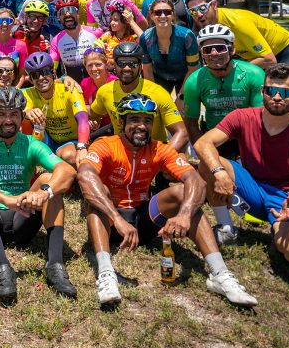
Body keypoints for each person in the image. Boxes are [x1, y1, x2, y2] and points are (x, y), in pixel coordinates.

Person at [78, 93, 257, 307]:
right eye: (134, 120)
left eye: (147, 120)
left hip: (142, 220)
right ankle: (106, 275)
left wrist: (183, 215)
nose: (142, 126)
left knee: (184, 193)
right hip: (108, 221)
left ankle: (220, 274)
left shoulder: (159, 149)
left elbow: (196, 181)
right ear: (121, 122)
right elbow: (85, 175)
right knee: (98, 192)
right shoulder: (106, 145)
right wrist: (116, 218)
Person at [194, 64, 289, 263]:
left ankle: (281, 230)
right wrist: (220, 173)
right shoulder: (242, 117)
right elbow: (203, 142)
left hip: (286, 198)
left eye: (285, 92)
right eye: (271, 90)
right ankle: (226, 228)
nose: (277, 97)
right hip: (250, 187)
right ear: (263, 91)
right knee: (209, 161)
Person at [0, 86, 78, 305]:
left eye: (13, 114)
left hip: (22, 218)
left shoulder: (31, 143)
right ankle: (3, 267)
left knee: (48, 181)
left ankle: (55, 265)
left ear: (22, 116)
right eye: (1, 114)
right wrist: (5, 199)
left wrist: (45, 193)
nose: (8, 120)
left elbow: (67, 171)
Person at [181, 25, 264, 156]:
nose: (214, 53)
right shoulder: (194, 81)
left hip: (246, 136)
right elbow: (191, 123)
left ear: (232, 50)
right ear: (202, 54)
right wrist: (204, 154)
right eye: (207, 50)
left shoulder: (254, 74)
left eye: (220, 48)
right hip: (213, 138)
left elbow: (262, 119)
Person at [90, 43, 188, 152]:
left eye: (133, 64)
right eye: (121, 63)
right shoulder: (105, 91)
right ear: (114, 65)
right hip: (123, 151)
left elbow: (182, 133)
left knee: (181, 158)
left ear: (141, 66)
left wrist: (162, 158)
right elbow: (89, 115)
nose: (127, 68)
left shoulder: (158, 93)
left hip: (154, 151)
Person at [185, 0, 289, 70]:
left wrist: (232, 68)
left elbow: (269, 60)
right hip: (256, 56)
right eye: (193, 11)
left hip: (283, 49)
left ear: (214, 5)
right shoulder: (204, 25)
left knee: (283, 92)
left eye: (203, 8)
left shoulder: (237, 22)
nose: (199, 14)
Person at [23, 52, 90, 167]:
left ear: (53, 72)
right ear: (30, 80)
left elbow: (83, 118)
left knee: (68, 155)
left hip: (71, 140)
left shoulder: (69, 88)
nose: (40, 78)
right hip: (47, 139)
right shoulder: (27, 93)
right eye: (35, 75)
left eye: (44, 72)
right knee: (23, 119)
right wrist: (27, 112)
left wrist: (82, 146)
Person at [139, 0, 199, 97]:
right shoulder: (145, 38)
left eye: (167, 12)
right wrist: (153, 95)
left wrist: (181, 97)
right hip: (160, 75)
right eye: (158, 13)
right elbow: (147, 69)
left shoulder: (186, 36)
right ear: (151, 15)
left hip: (186, 76)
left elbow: (193, 69)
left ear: (173, 14)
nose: (163, 16)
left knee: (184, 109)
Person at [49, 0, 104, 82]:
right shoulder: (56, 40)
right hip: (74, 88)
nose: (67, 14)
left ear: (78, 13)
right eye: (63, 11)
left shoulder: (96, 33)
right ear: (59, 16)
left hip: (97, 84)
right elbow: (52, 69)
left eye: (71, 10)